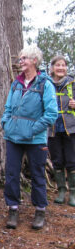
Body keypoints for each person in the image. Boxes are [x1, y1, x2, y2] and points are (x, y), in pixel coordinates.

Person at [1, 46, 58, 230]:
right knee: (11, 173)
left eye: (24, 58)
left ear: (35, 60)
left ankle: (40, 210)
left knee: (37, 174)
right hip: (13, 137)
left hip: (36, 139)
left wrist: (32, 129)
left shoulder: (45, 84)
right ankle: (13, 209)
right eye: (20, 59)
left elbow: (51, 114)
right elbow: (8, 108)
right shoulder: (16, 84)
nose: (21, 61)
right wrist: (6, 123)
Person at [48, 55, 75, 207]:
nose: (60, 68)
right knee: (57, 161)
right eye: (57, 65)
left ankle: (73, 194)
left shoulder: (72, 83)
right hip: (52, 129)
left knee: (72, 162)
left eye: (63, 65)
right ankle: (61, 192)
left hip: (70, 128)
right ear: (52, 68)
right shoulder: (47, 84)